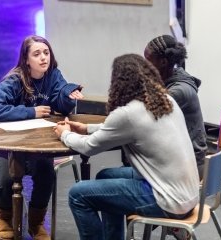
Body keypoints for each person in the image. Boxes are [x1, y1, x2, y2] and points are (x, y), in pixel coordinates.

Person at [54, 54, 199, 240]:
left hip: (168, 201)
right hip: (188, 194)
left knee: (78, 194)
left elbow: (89, 147)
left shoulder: (128, 113)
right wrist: (87, 128)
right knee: (104, 176)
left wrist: (65, 134)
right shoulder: (165, 102)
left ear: (119, 82)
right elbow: (128, 128)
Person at [0, 35, 84, 240]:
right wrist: (31, 112)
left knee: (46, 172)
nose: (43, 58)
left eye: (46, 53)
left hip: (36, 143)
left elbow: (61, 103)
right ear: (26, 59)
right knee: (6, 178)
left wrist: (68, 96)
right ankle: (5, 216)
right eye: (37, 54)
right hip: (6, 143)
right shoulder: (14, 79)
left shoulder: (53, 75)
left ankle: (36, 222)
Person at [144, 35, 208, 178]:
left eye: (148, 61)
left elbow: (143, 115)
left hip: (188, 170)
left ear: (163, 62)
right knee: (109, 175)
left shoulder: (178, 91)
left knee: (107, 176)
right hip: (183, 161)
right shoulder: (173, 75)